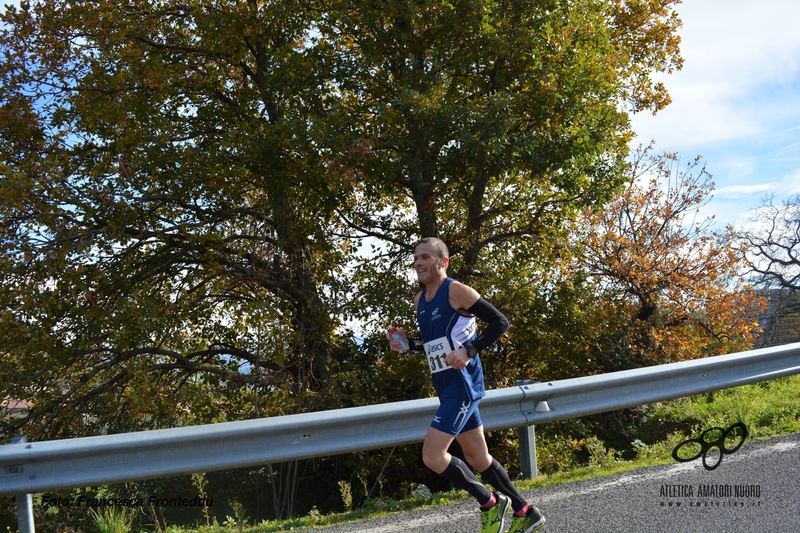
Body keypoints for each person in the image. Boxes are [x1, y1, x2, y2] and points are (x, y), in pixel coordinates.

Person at [387, 237, 545, 533]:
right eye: (415, 258)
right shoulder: (420, 300)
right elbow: (437, 345)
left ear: (442, 262)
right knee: (477, 456)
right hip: (445, 385)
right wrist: (408, 344)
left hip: (463, 385)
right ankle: (526, 511)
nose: (417, 263)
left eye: (424, 257)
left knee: (432, 456)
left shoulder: (456, 291)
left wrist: (470, 350)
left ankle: (490, 503)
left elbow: (500, 322)